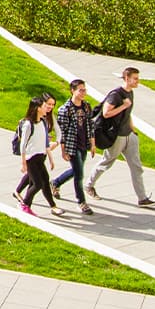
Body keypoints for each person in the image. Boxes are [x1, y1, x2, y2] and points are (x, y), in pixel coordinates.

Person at [91, 67, 155, 207]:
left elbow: (128, 113)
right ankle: (89, 185)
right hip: (116, 136)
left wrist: (133, 130)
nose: (138, 81)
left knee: (136, 167)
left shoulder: (130, 93)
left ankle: (142, 198)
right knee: (106, 163)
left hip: (129, 135)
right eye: (135, 78)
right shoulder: (116, 95)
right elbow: (106, 113)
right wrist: (123, 106)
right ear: (127, 78)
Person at [14, 93, 64, 216]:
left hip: (40, 156)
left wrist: (51, 159)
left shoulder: (42, 122)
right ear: (37, 108)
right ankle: (25, 204)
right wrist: (23, 163)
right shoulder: (28, 124)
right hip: (31, 158)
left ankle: (50, 206)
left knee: (44, 181)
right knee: (37, 184)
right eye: (44, 106)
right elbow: (23, 144)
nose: (47, 108)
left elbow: (45, 143)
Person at [51, 79, 96, 215]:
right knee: (79, 175)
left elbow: (91, 125)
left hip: (84, 144)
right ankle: (81, 202)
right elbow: (62, 132)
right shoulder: (65, 109)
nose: (83, 93)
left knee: (77, 170)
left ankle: (56, 182)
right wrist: (63, 151)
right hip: (72, 145)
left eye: (84, 90)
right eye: (80, 90)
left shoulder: (86, 106)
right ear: (73, 91)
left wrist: (93, 144)